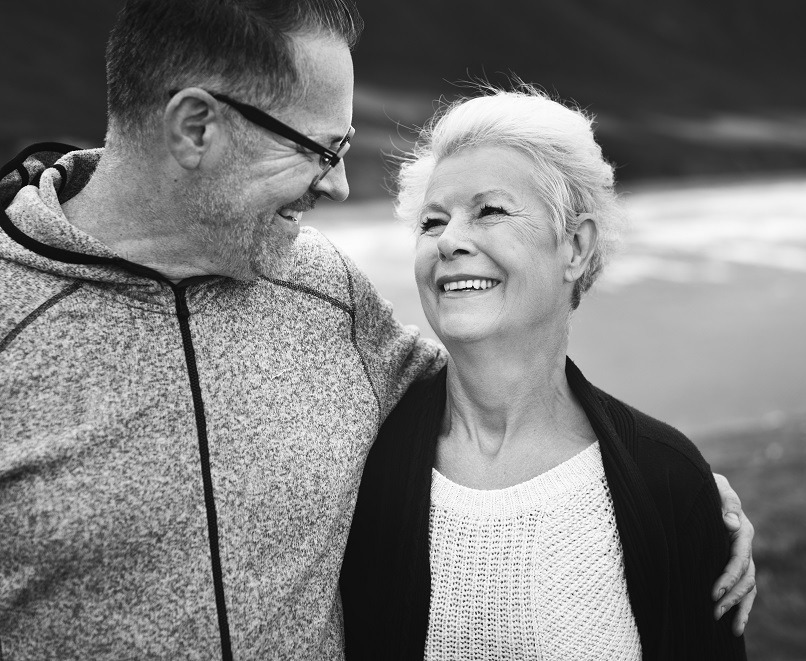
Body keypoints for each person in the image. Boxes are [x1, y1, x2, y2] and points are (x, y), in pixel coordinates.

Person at [0, 1, 753, 659]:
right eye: (320, 149)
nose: (338, 184)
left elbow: (488, 380)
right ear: (197, 126)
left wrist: (659, 486)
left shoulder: (324, 288)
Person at [340, 88, 751, 660]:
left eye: (490, 211)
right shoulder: (364, 458)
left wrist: (699, 503)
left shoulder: (667, 477)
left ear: (576, 247)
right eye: (433, 222)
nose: (450, 240)